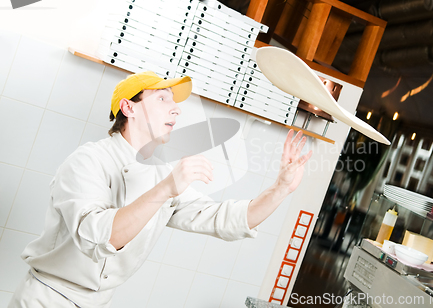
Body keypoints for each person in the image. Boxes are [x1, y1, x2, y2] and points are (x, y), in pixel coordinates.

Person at [9, 71, 313, 308]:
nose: (176, 110)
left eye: (175, 102)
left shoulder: (161, 171)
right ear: (129, 108)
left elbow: (224, 218)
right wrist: (166, 189)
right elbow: (101, 238)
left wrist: (281, 188)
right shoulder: (87, 161)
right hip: (47, 298)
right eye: (162, 99)